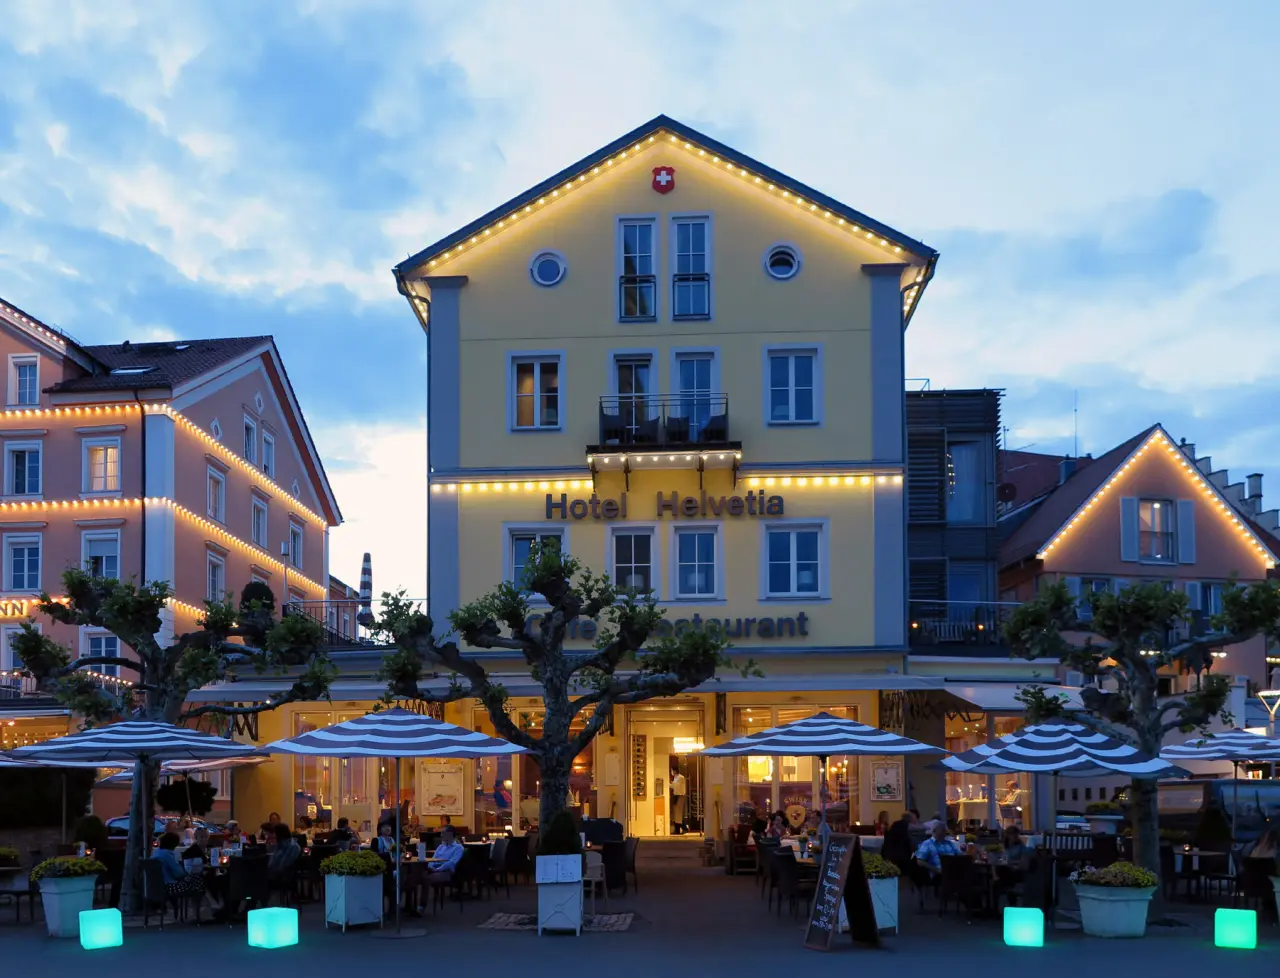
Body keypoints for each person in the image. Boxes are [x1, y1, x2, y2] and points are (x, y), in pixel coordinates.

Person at [415, 825, 465, 912]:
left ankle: (421, 907)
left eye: (443, 833)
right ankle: (410, 906)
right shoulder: (441, 846)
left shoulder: (458, 848)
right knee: (414, 876)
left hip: (446, 872)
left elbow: (451, 863)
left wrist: (437, 870)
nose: (441, 835)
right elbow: (433, 860)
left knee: (425, 879)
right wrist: (430, 867)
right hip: (434, 869)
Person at [154, 831, 205, 900]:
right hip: (168, 887)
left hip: (155, 887)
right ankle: (205, 902)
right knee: (197, 879)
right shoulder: (168, 854)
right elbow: (179, 874)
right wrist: (185, 870)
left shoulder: (156, 853)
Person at [669, 766, 687, 835]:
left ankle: (684, 828)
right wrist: (671, 784)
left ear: (675, 771)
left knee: (678, 814)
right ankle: (677, 830)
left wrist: (670, 784)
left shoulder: (680, 777)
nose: (671, 772)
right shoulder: (675, 777)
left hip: (680, 796)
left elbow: (676, 786)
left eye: (672, 771)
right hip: (676, 796)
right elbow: (674, 786)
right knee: (675, 815)